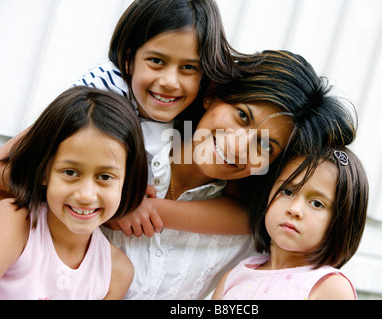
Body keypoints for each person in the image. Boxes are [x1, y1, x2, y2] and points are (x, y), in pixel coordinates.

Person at [102, 50, 359, 299]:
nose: (237, 147)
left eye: (266, 145)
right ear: (213, 94)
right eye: (242, 116)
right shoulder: (122, 149)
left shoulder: (252, 240)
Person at [0, 0, 261, 235]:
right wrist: (119, 204)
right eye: (156, 60)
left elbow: (246, 216)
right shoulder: (101, 96)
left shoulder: (199, 117)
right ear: (129, 59)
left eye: (189, 67)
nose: (169, 81)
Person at [0, 86, 147, 300]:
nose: (86, 195)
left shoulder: (116, 272)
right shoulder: (13, 223)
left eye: (105, 177)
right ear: (44, 172)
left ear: (126, 182)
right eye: (70, 172)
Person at [212, 147, 369, 300]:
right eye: (287, 192)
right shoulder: (235, 276)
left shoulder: (329, 287)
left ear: (341, 222)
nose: (294, 209)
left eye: (316, 203)